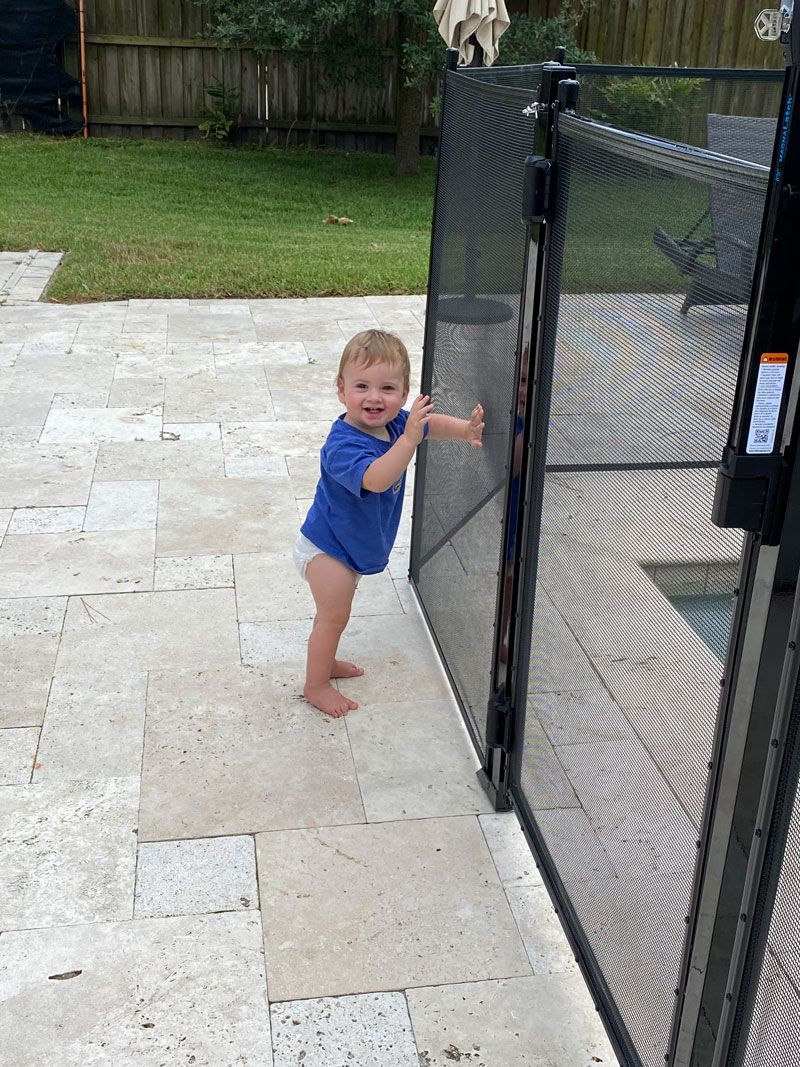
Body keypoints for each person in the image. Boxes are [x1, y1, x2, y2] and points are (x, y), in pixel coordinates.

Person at [294, 329, 484, 717]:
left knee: (336, 615)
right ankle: (315, 685)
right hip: (326, 548)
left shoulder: (397, 424)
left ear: (404, 392)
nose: (374, 397)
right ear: (341, 389)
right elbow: (377, 479)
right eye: (361, 386)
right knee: (333, 614)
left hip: (350, 544)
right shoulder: (343, 445)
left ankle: (325, 661)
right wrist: (409, 441)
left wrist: (464, 430)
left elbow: (429, 425)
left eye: (387, 388)